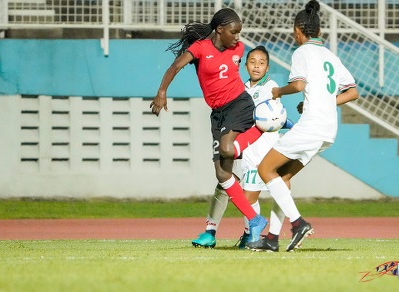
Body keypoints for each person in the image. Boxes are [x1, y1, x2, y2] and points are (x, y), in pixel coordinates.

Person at [247, 0, 359, 252]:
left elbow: (297, 86)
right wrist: (324, 101)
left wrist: (277, 91)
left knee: (265, 169)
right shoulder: (331, 56)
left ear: (298, 30)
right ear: (319, 31)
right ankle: (272, 239)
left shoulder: (301, 53)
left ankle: (298, 224)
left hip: (311, 127)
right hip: (328, 130)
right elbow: (352, 92)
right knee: (282, 178)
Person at [150, 8, 267, 243]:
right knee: (223, 174)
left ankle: (265, 126)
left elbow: (229, 72)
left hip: (239, 105)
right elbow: (175, 67)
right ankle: (253, 221)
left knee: (226, 148)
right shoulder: (200, 49)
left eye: (239, 32)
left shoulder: (238, 49)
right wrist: (162, 91)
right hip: (217, 115)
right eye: (234, 32)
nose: (238, 37)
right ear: (220, 30)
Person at [191, 46, 286, 250]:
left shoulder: (271, 87)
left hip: (260, 148)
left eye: (261, 63)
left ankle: (250, 235)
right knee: (223, 183)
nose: (256, 66)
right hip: (239, 144)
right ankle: (209, 231)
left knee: (249, 193)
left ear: (267, 67)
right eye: (252, 62)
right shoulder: (239, 89)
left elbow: (271, 118)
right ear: (245, 65)